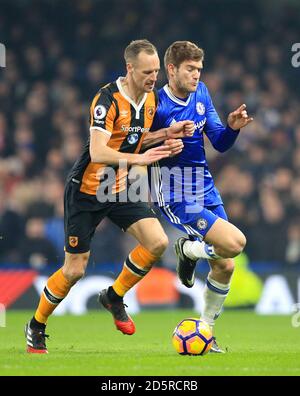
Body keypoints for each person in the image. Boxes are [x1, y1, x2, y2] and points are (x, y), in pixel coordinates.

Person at [24, 39, 194, 353]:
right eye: (146, 71)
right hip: (88, 190)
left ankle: (114, 297)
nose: (153, 77)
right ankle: (36, 324)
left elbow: (134, 139)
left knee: (157, 242)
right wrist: (143, 159)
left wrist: (165, 134)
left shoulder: (150, 100)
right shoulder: (106, 100)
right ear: (129, 68)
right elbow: (100, 150)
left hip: (117, 188)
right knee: (75, 270)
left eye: (156, 71)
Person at [143, 41, 253, 352]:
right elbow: (132, 145)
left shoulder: (202, 93)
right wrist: (165, 138)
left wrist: (232, 129)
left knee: (226, 264)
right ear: (172, 69)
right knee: (235, 243)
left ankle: (206, 331)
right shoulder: (155, 104)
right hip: (176, 192)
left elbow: (218, 141)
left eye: (199, 69)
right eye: (190, 69)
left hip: (205, 187)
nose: (196, 75)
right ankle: (189, 251)